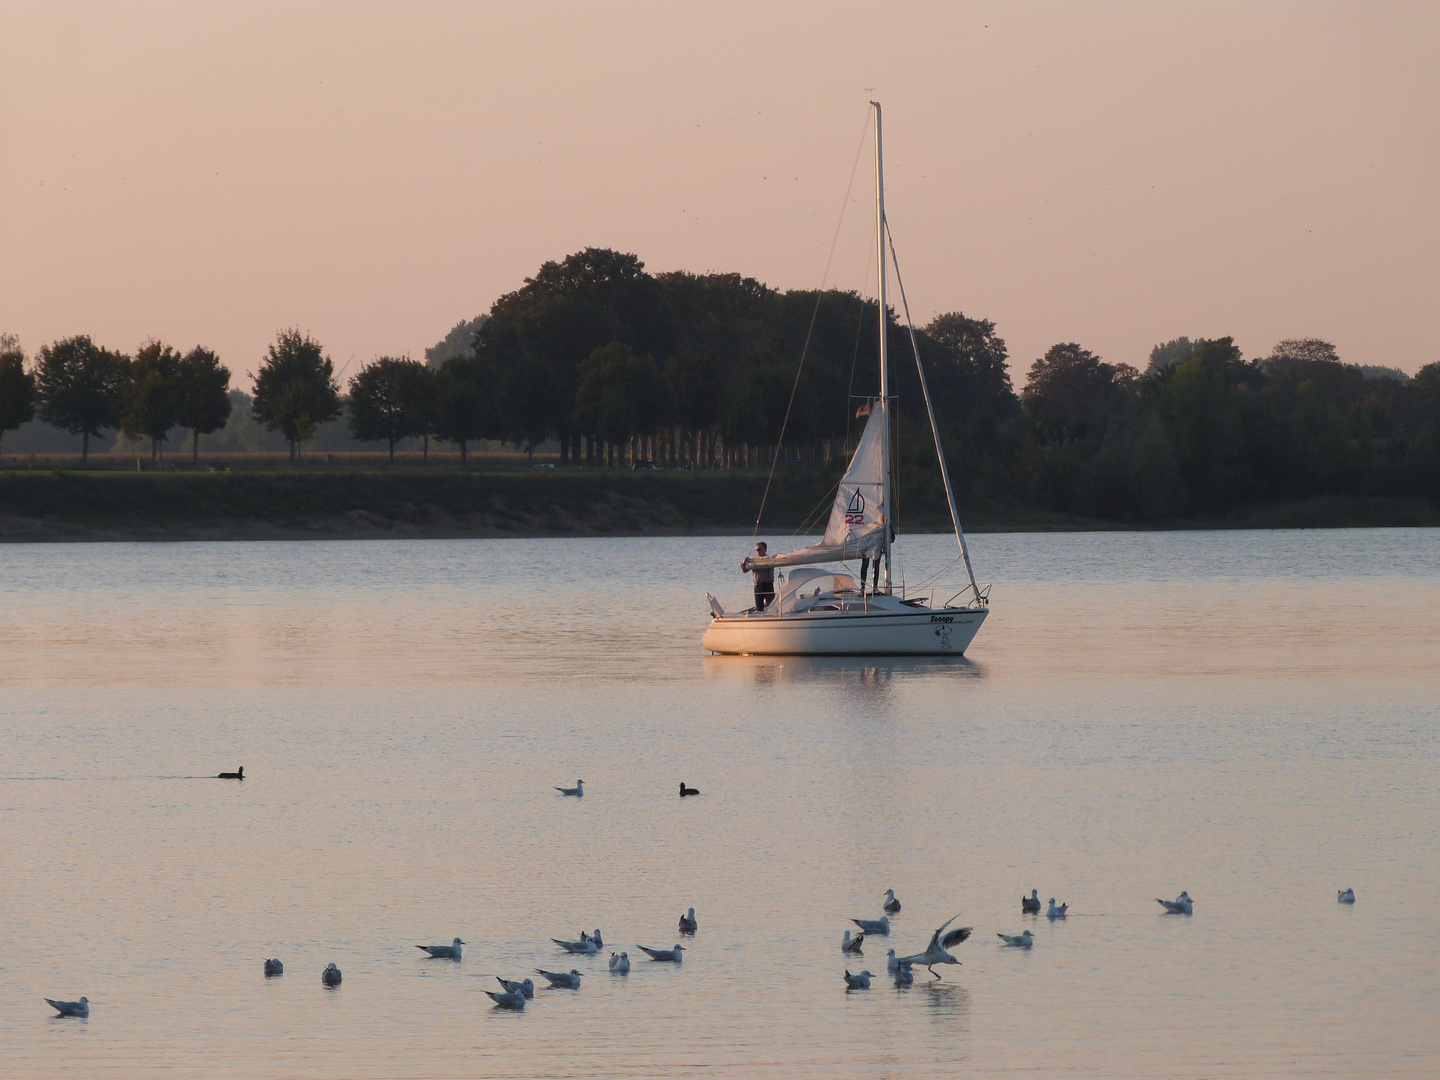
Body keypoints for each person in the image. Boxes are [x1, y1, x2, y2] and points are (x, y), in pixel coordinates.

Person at [742, 541, 776, 611]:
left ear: (765, 549)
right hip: (757, 586)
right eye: (757, 550)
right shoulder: (754, 561)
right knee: (759, 608)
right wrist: (744, 563)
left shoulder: (769, 559)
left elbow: (769, 565)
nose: (758, 552)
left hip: (767, 585)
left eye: (759, 549)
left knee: (772, 606)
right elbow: (744, 571)